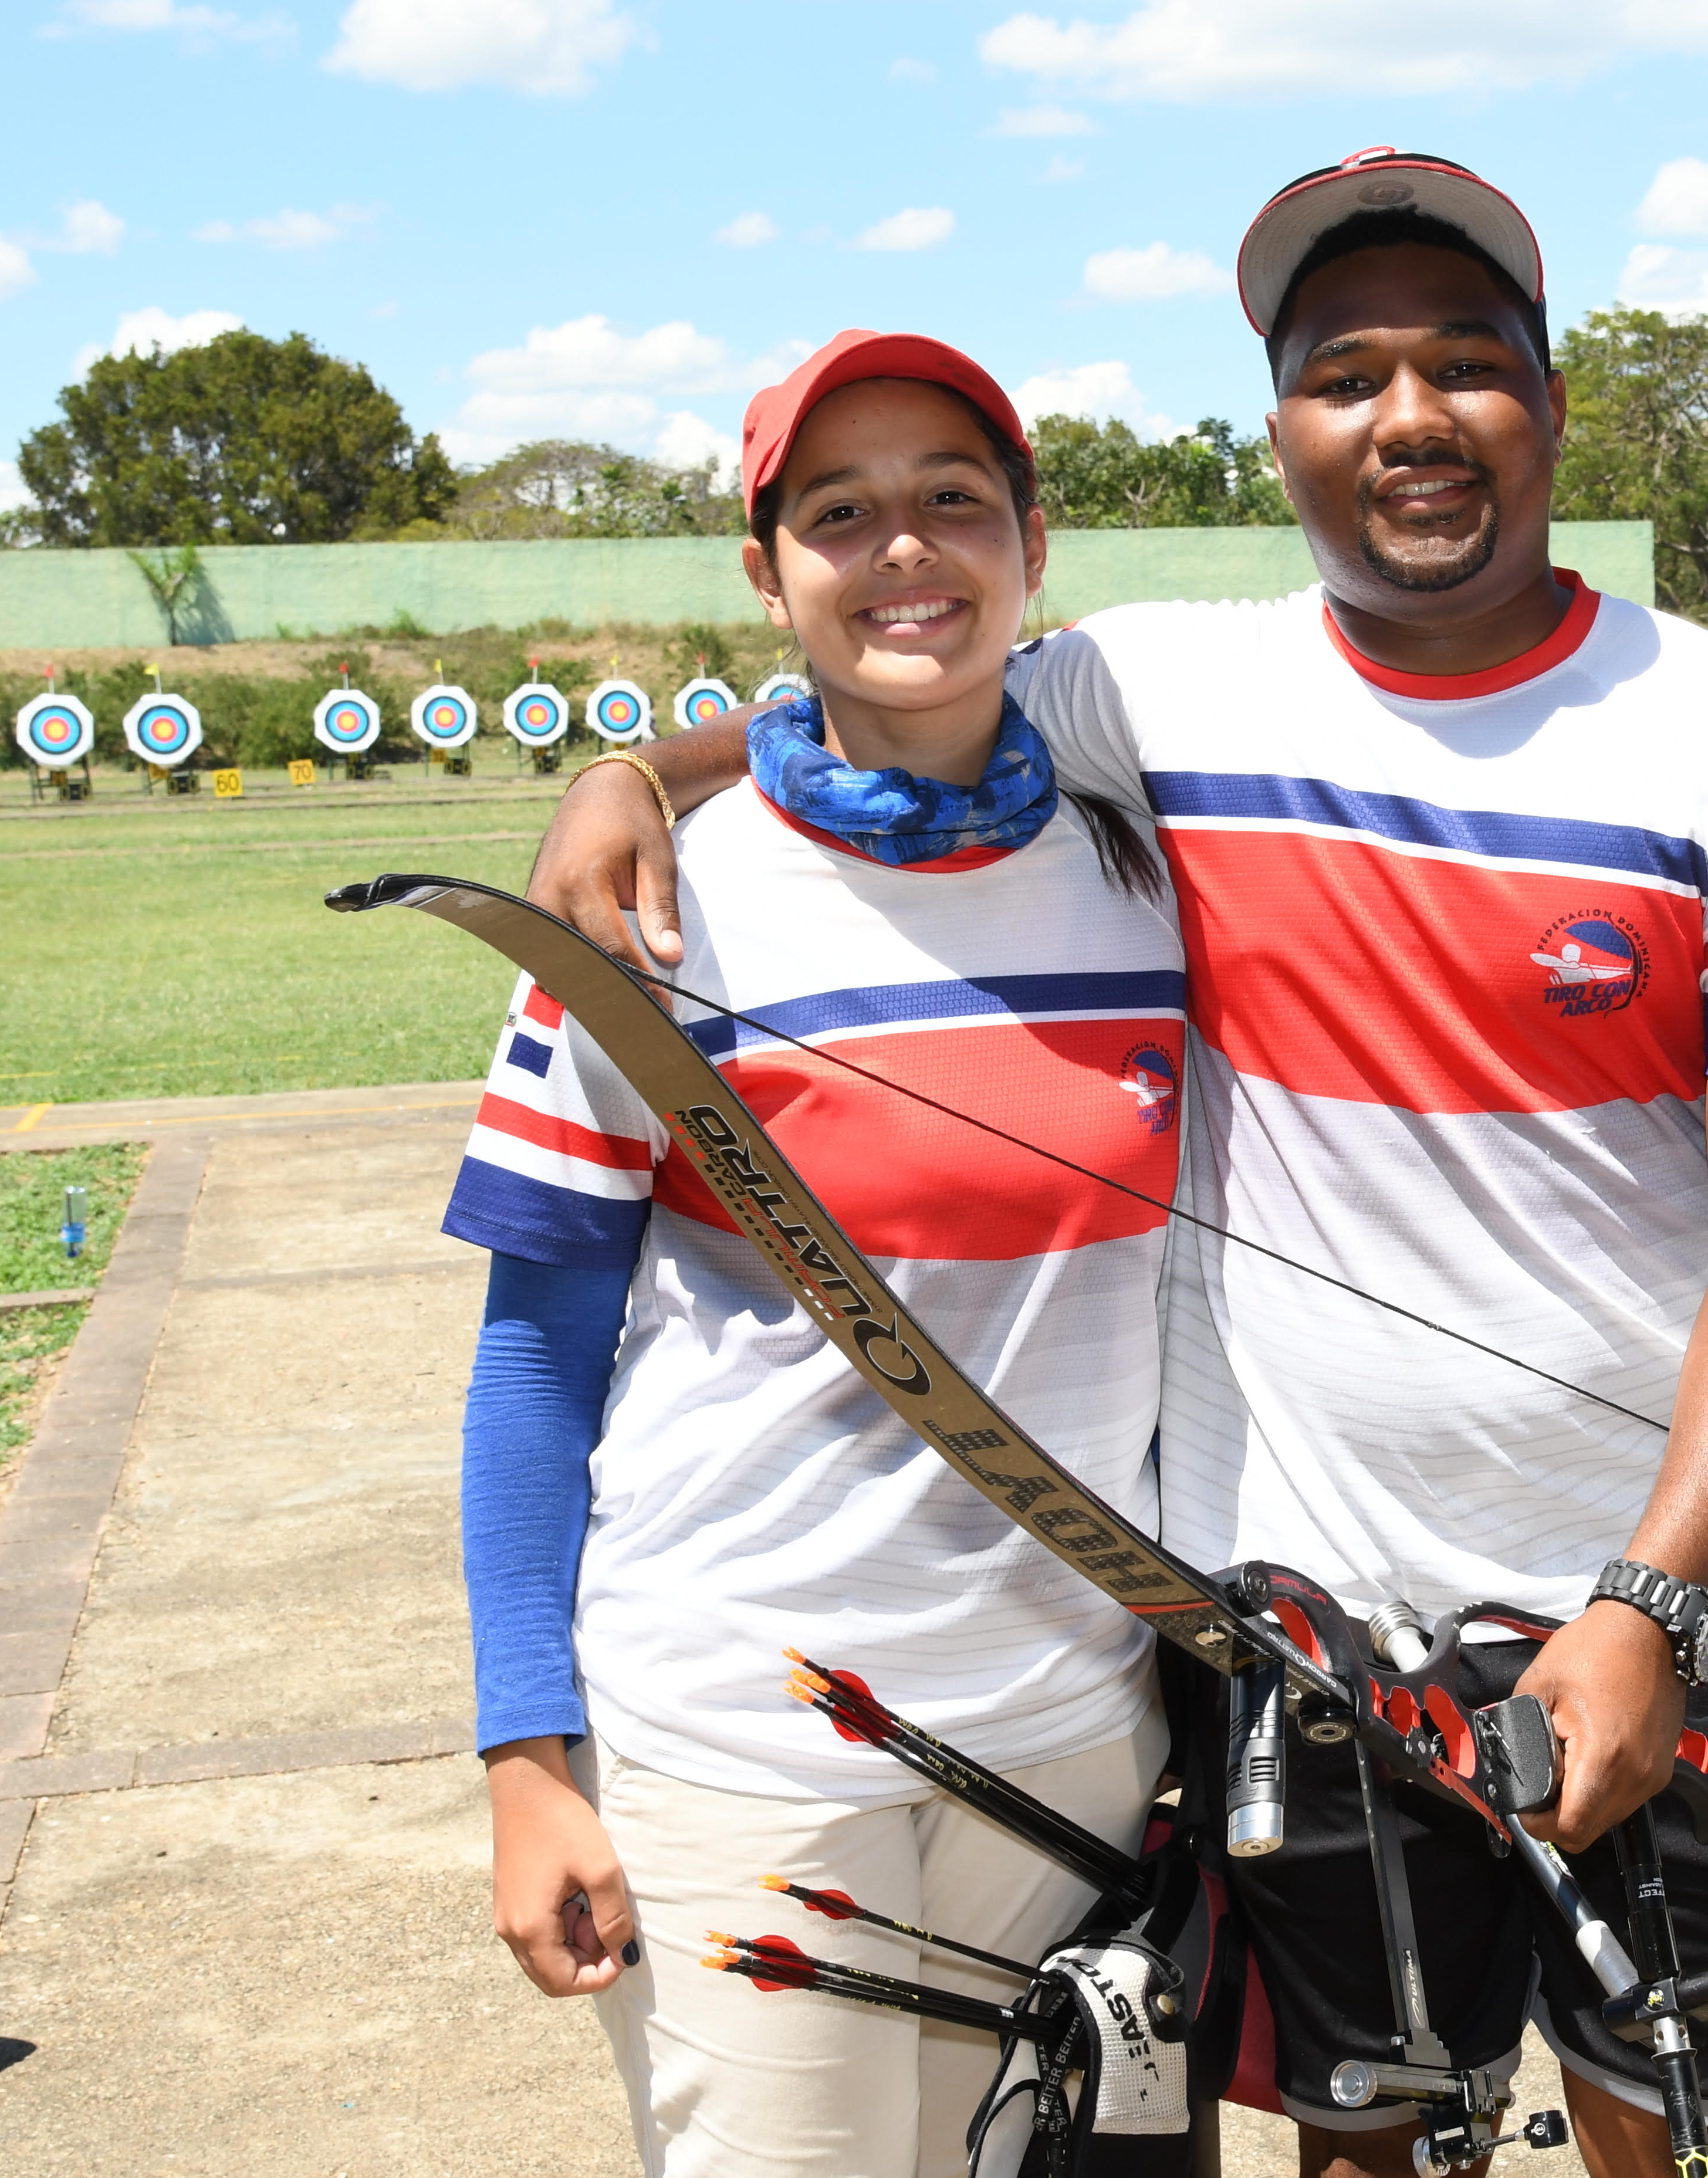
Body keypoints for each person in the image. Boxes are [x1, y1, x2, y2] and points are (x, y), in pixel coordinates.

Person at [520, 151, 1708, 2178]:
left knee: (1685, 2144)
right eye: (1345, 375)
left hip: (1664, 1594)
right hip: (1304, 1609)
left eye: (1463, 364)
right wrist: (637, 768)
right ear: (1284, 432)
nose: (1407, 418)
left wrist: (1648, 1601)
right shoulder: (1152, 692)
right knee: (1364, 2143)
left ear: (1550, 404)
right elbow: (890, 672)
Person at [452, 330, 1184, 2178]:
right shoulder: (642, 915)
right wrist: (525, 1763)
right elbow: (535, 1354)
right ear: (766, 574)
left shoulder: (1160, 875)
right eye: (838, 514)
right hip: (740, 1724)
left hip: (1078, 1725)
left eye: (955, 500)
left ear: (1034, 545)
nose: (906, 551)